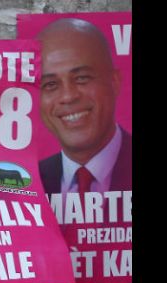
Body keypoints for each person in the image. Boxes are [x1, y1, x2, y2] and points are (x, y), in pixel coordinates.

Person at [37, 18, 131, 196]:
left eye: (82, 78)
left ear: (114, 82)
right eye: (50, 84)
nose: (68, 96)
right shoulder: (30, 181)